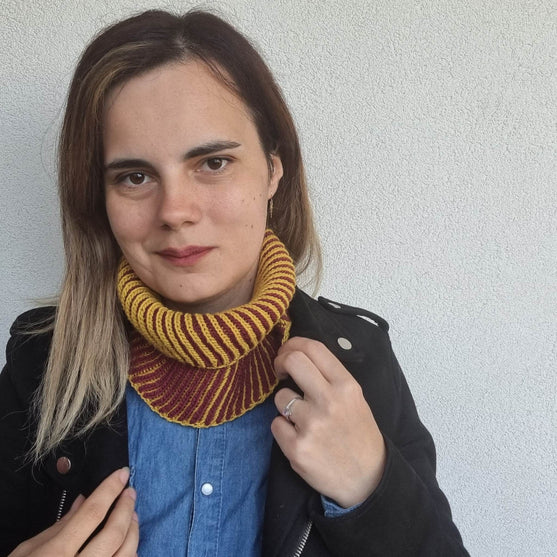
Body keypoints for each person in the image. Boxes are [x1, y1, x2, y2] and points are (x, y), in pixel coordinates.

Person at [0, 9, 468, 557]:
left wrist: (371, 487)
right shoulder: (41, 362)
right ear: (99, 199)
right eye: (135, 176)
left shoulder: (359, 361)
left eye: (214, 163)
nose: (175, 211)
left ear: (273, 170)